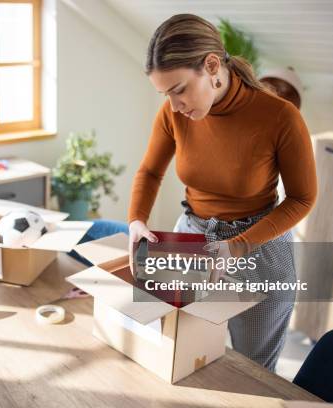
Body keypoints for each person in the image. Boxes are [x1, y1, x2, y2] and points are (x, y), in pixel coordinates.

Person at [127, 14, 317, 372]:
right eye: (165, 94)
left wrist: (237, 246)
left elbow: (302, 198)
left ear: (211, 65)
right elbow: (150, 171)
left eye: (180, 89)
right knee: (174, 353)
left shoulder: (280, 117)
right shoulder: (173, 114)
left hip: (258, 247)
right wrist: (136, 220)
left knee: (253, 371)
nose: (174, 105)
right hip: (192, 239)